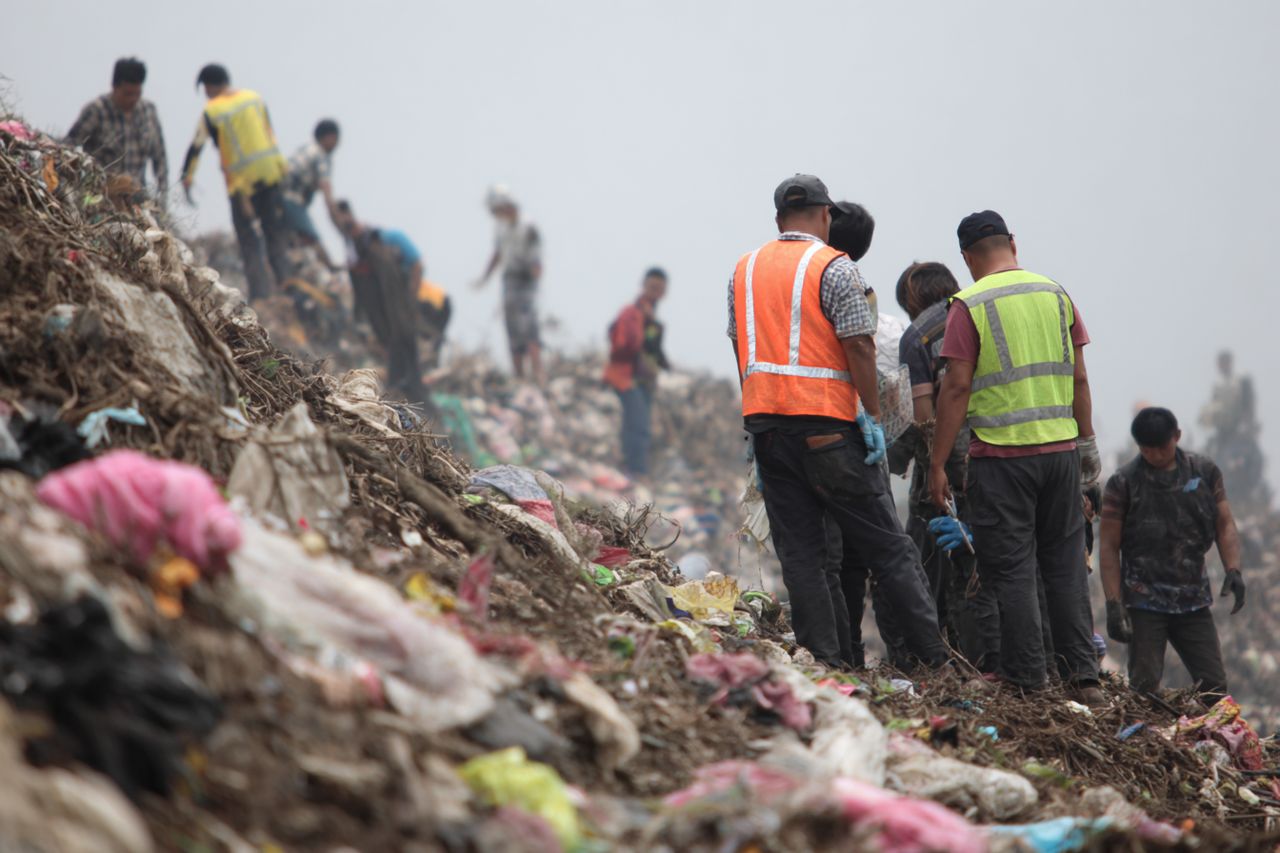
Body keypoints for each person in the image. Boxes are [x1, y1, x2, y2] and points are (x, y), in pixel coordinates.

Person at [728, 174, 947, 669]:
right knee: (891, 551)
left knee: (803, 556)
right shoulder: (836, 267)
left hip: (768, 432)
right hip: (830, 430)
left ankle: (825, 664)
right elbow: (859, 344)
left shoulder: (743, 270)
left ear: (778, 219)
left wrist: (757, 409)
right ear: (826, 215)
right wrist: (869, 414)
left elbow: (741, 345)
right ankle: (938, 663)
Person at [929, 210, 1102, 702]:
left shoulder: (968, 304)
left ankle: (1028, 679)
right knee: (1066, 566)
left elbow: (957, 386)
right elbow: (1081, 378)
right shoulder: (1055, 294)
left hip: (1002, 460)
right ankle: (1084, 678)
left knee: (1013, 570)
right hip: (1061, 455)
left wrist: (938, 462)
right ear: (1013, 243)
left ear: (966, 258)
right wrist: (1087, 448)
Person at [888, 261, 1001, 672]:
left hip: (949, 468)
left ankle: (959, 663)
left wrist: (918, 464)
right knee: (1003, 561)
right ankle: (1011, 665)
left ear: (913, 299)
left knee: (954, 570)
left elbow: (923, 419)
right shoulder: (983, 315)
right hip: (1004, 457)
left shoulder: (918, 335)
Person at [1100, 407, 1244, 703]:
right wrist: (1114, 604)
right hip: (1144, 601)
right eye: (1146, 449)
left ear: (1176, 436)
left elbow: (1224, 523)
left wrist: (1234, 570)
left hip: (1193, 600)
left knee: (1215, 688)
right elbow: (1109, 546)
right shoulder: (1124, 482)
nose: (1155, 455)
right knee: (1144, 689)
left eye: (1161, 447)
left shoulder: (1203, 472)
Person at [181, 63, 291, 302]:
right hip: (272, 173)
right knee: (274, 231)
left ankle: (261, 295)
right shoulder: (254, 98)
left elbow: (196, 147)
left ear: (209, 86)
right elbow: (269, 133)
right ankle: (287, 284)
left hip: (242, 184)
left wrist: (187, 178)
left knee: (248, 237)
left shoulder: (213, 110)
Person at [332, 201, 424, 402]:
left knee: (406, 346)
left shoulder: (388, 239)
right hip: (384, 314)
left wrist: (411, 298)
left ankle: (412, 392)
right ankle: (400, 389)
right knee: (393, 347)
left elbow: (417, 263)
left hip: (401, 307)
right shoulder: (356, 252)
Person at [66, 57, 168, 205]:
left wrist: (162, 197)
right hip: (101, 198)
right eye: (127, 94)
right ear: (115, 87)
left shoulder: (148, 112)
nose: (132, 99)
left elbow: (161, 160)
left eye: (137, 94)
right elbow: (70, 147)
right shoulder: (97, 111)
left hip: (137, 199)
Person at [604, 268, 670, 478]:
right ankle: (635, 472)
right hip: (627, 377)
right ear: (644, 286)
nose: (655, 292)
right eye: (652, 287)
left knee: (637, 424)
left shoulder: (652, 318)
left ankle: (631, 469)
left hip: (644, 381)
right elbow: (625, 345)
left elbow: (655, 351)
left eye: (659, 288)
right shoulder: (632, 313)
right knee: (638, 425)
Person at [475, 185, 544, 384]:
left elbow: (536, 262)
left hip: (526, 280)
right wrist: (485, 277)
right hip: (510, 279)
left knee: (529, 327)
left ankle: (538, 375)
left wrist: (534, 283)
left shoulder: (528, 226)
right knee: (512, 327)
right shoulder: (500, 226)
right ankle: (520, 377)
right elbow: (498, 253)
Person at [282, 119, 342, 268]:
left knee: (288, 240)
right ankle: (330, 267)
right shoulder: (321, 155)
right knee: (310, 236)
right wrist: (336, 216)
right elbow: (325, 187)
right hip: (290, 198)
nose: (337, 143)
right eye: (335, 139)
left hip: (277, 197)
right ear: (328, 137)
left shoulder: (306, 149)